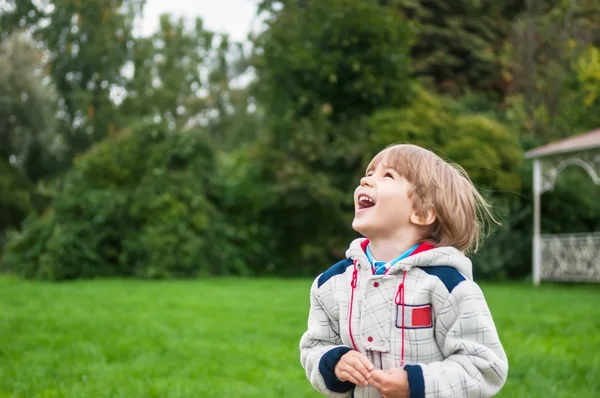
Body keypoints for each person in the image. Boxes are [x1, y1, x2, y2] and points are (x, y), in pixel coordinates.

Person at [299, 144, 508, 398]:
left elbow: (485, 367)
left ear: (423, 213)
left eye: (387, 176)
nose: (365, 179)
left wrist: (416, 383)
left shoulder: (448, 285)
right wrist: (335, 363)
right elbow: (314, 347)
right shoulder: (330, 283)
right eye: (369, 172)